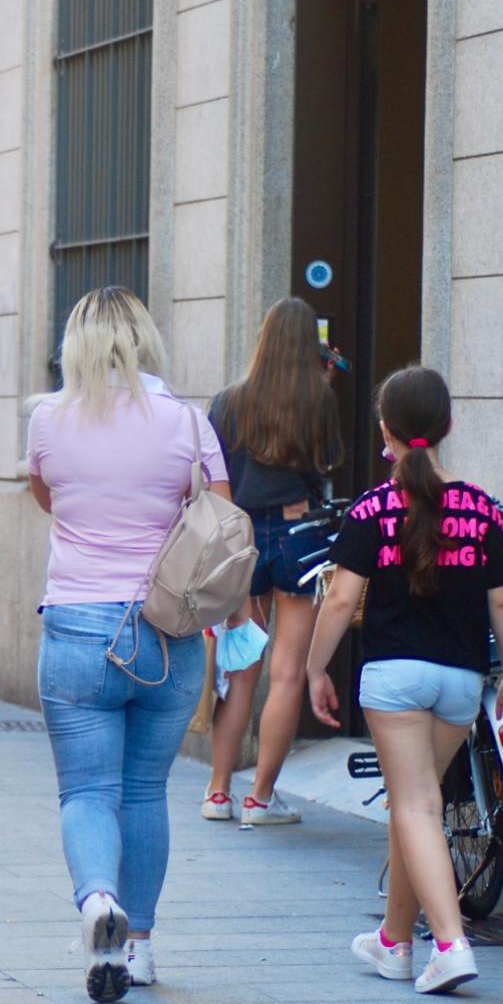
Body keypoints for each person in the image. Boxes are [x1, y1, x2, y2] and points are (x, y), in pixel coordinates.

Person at [25, 287, 238, 1003]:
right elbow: (222, 513)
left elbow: (47, 495)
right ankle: (139, 946)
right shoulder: (186, 421)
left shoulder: (48, 419)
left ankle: (97, 903)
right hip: (166, 631)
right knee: (146, 790)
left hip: (78, 625)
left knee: (87, 789)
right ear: (145, 340)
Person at [310, 366, 503, 996]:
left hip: (394, 680)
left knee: (415, 806)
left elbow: (342, 595)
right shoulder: (481, 508)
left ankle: (452, 944)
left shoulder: (372, 508)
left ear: (386, 431)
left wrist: (313, 667)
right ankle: (394, 943)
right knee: (419, 808)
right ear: (448, 426)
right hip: (460, 683)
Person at [201, 299, 343, 826]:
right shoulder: (316, 402)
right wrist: (324, 386)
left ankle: (218, 793)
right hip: (298, 536)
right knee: (286, 675)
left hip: (242, 538)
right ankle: (260, 798)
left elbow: (213, 474)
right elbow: (326, 466)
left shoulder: (227, 403)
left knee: (240, 667)